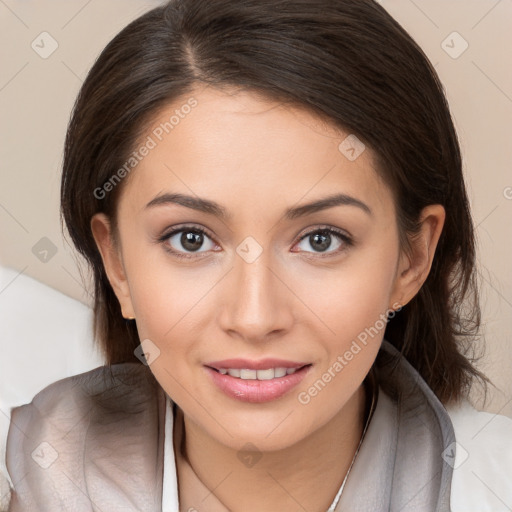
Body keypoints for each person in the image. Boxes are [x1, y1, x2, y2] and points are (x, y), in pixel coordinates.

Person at [4, 0, 512, 510]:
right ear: (117, 264)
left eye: (321, 239)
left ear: (412, 258)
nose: (254, 317)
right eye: (191, 239)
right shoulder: (41, 476)